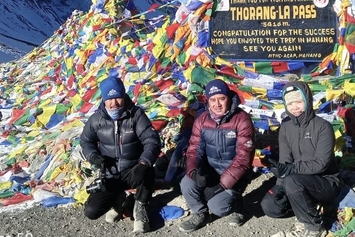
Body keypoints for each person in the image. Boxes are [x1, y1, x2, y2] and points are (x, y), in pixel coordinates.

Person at [80, 76, 162, 233]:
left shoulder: (136, 115)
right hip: (110, 173)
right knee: (91, 211)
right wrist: (94, 157)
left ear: (124, 95)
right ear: (104, 99)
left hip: (133, 170)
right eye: (109, 99)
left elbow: (152, 141)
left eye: (117, 97)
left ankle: (140, 206)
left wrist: (143, 163)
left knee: (148, 173)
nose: (114, 103)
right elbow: (86, 142)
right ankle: (118, 200)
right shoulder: (96, 120)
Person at [261, 81, 340, 237]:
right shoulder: (285, 128)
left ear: (307, 100)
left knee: (292, 181)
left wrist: (292, 170)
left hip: (325, 181)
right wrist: (280, 184)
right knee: (270, 205)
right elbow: (285, 160)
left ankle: (314, 228)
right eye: (290, 103)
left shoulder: (323, 127)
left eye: (299, 101)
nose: (294, 107)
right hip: (298, 180)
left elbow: (321, 164)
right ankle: (305, 208)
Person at [178, 78, 255, 232]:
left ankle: (239, 206)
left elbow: (243, 160)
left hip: (235, 175)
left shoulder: (242, 120)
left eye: (221, 98)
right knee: (186, 183)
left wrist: (220, 186)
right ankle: (200, 213)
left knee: (218, 207)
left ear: (229, 98)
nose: (217, 104)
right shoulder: (202, 120)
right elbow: (194, 150)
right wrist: (193, 172)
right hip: (211, 170)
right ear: (208, 101)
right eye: (212, 100)